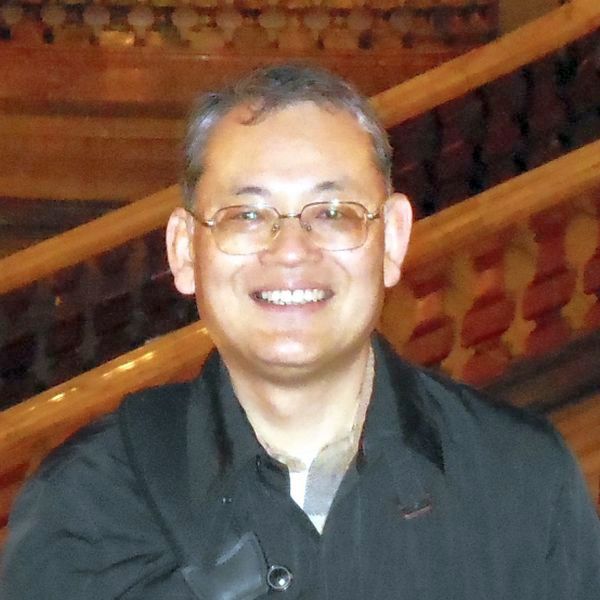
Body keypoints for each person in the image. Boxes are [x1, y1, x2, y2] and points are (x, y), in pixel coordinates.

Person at [1, 64, 599, 600]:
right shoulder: (83, 510)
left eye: (333, 213)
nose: (291, 250)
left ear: (392, 239)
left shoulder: (522, 481)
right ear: (184, 251)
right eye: (247, 215)